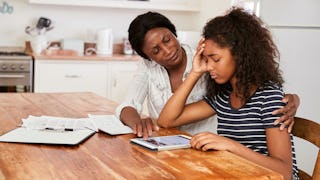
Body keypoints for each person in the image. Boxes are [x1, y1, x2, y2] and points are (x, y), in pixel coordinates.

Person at [157, 8, 298, 179]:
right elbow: (166, 120)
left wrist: (230, 146)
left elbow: (285, 171)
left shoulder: (268, 97)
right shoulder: (223, 97)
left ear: (239, 55)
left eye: (215, 59)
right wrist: (195, 72)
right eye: (206, 60)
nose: (209, 67)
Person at [115, 11, 300, 139]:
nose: (167, 50)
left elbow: (255, 90)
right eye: (156, 51)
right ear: (148, 57)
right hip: (177, 149)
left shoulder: (209, 59)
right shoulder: (151, 68)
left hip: (209, 149)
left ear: (174, 33)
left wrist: (292, 99)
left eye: (168, 40)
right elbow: (139, 109)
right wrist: (137, 123)